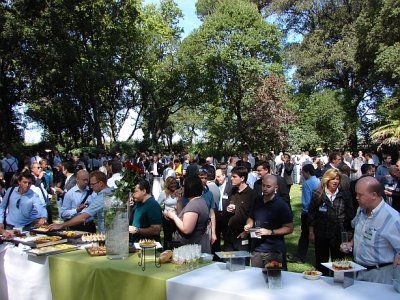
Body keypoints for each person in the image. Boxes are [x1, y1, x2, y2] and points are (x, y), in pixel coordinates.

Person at [341, 176, 400, 284]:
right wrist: (351, 243)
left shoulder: (392, 219)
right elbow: (361, 232)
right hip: (358, 271)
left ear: (373, 195)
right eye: (356, 194)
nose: (356, 198)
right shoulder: (361, 210)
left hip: (380, 275)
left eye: (360, 195)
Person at [308, 169, 354, 275]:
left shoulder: (345, 195)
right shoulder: (318, 193)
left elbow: (350, 216)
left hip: (339, 233)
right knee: (321, 261)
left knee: (338, 263)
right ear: (327, 179)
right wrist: (311, 232)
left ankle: (338, 284)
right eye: (333, 179)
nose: (335, 181)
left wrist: (349, 234)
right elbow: (311, 214)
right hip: (322, 232)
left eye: (337, 179)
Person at [245, 175, 293, 270]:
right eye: (263, 186)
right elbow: (251, 217)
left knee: (273, 278)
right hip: (257, 248)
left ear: (276, 187)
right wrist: (249, 224)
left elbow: (289, 228)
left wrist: (270, 232)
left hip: (274, 250)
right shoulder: (257, 201)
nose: (265, 189)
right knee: (256, 279)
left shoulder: (281, 205)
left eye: (268, 186)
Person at [163, 176, 211, 253]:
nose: (182, 188)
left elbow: (186, 229)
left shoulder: (194, 205)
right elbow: (183, 218)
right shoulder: (199, 201)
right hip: (194, 245)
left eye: (184, 186)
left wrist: (173, 216)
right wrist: (179, 201)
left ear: (189, 188)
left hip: (190, 248)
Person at [287, 164, 320, 263]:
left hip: (308, 213)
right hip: (318, 213)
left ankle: (300, 256)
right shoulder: (318, 181)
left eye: (303, 172)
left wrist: (305, 213)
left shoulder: (307, 184)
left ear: (307, 172)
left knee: (304, 235)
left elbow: (306, 201)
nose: (302, 174)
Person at [0, 172, 47, 238]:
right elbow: (2, 207)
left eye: (29, 183)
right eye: (25, 182)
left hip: (26, 228)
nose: (27, 185)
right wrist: (0, 221)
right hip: (9, 226)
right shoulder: (11, 191)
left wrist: (43, 217)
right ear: (19, 182)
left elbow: (41, 207)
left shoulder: (33, 195)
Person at [224, 166, 257, 254]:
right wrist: (228, 209)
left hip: (242, 234)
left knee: (241, 264)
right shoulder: (232, 191)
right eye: (231, 176)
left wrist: (246, 233)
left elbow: (254, 216)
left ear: (242, 178)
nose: (231, 179)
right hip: (230, 233)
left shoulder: (252, 194)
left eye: (234, 177)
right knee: (227, 262)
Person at [157, 176, 179, 249]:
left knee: (177, 238)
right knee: (167, 238)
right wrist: (163, 212)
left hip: (177, 218)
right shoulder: (164, 193)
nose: (173, 185)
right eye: (171, 183)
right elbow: (157, 205)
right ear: (168, 184)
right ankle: (166, 252)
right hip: (168, 219)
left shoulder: (178, 192)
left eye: (174, 183)